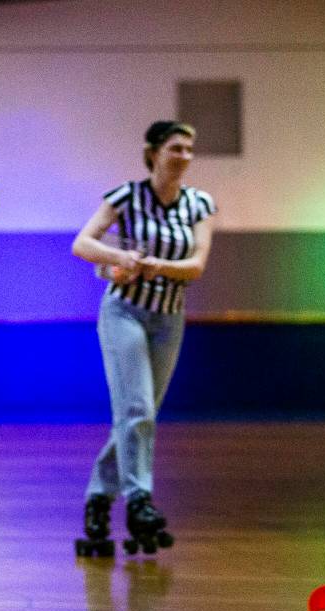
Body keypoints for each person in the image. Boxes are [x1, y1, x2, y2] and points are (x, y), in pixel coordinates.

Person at [71, 121, 215, 557]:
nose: (184, 156)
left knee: (142, 414)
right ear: (153, 152)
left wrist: (155, 265)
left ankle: (99, 496)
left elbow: (196, 266)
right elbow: (83, 244)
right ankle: (139, 502)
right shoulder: (126, 196)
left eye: (190, 149)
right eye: (176, 148)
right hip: (124, 313)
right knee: (135, 410)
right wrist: (120, 257)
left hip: (169, 318)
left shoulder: (199, 203)